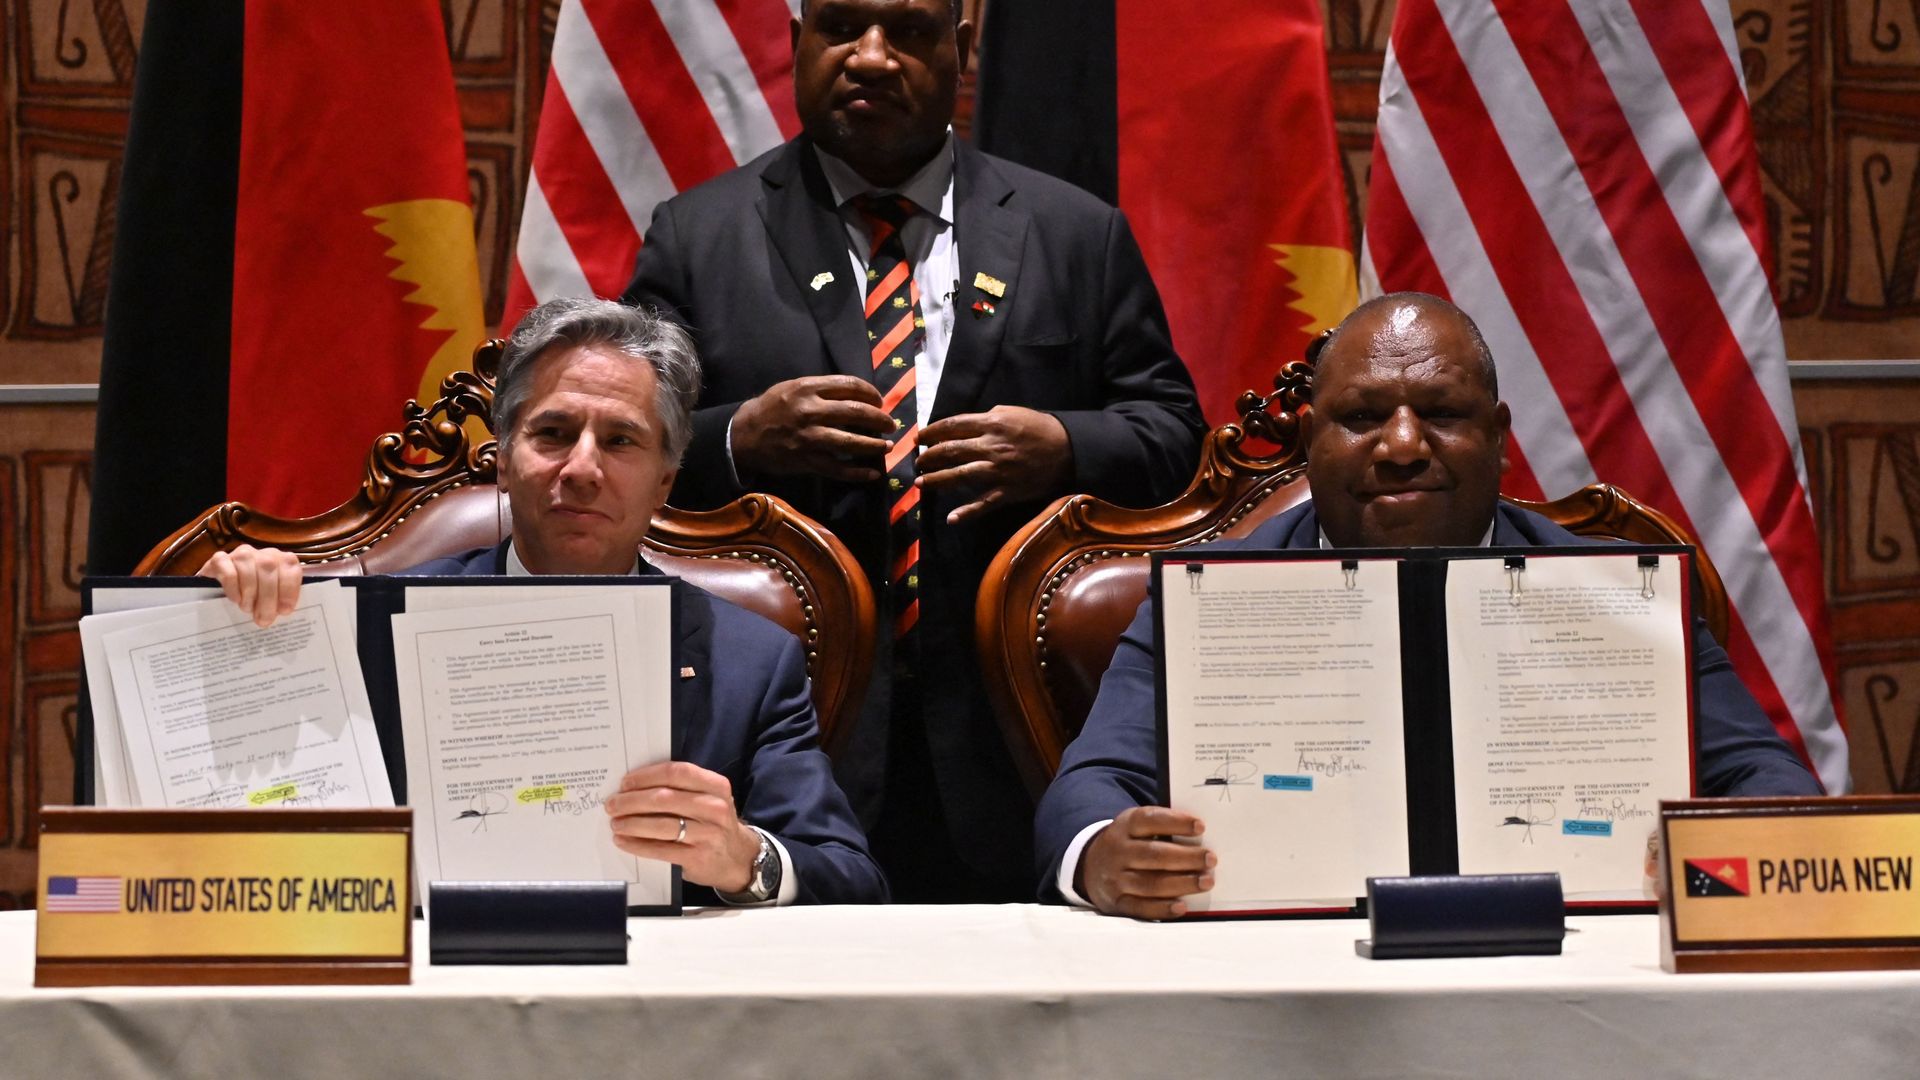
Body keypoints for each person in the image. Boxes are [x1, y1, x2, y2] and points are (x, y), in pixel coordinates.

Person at [622, 0, 1206, 901]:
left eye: (909, 32)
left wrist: (1064, 444)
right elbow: (624, 441)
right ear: (796, 44)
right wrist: (742, 437)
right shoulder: (698, 236)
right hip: (781, 750)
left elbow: (1175, 435)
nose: (872, 57)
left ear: (963, 50)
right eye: (843, 28)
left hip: (1011, 736)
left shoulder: (1074, 233)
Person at [1035, 292, 1824, 920]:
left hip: (1568, 966)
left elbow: (1768, 776)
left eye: (1442, 414)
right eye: (1363, 417)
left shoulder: (1620, 589)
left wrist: (1722, 848)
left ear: (1501, 436)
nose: (1404, 444)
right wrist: (1102, 854)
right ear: (1310, 437)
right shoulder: (1206, 593)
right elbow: (1089, 788)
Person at [200, 298, 886, 906]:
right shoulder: (370, 624)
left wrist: (744, 858)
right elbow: (237, 827)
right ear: (502, 458)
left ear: (663, 483)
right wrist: (233, 628)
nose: (582, 469)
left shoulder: (751, 661)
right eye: (553, 433)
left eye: (620, 441)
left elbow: (849, 878)